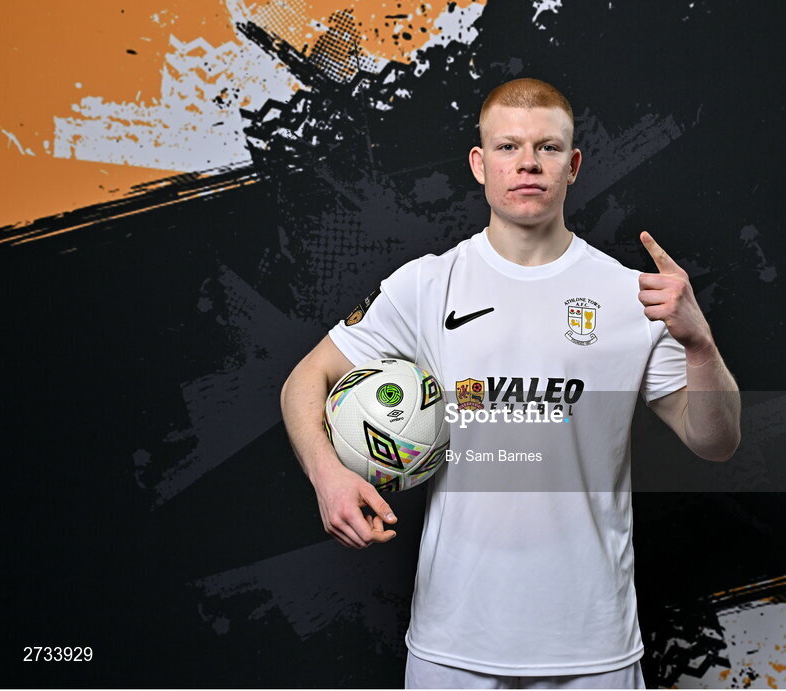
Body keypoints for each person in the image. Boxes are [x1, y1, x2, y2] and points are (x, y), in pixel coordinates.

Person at [280, 78, 741, 689]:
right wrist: (327, 476)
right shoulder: (427, 285)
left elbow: (715, 441)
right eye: (508, 147)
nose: (528, 163)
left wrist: (700, 345)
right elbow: (304, 379)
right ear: (480, 164)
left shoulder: (629, 295)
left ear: (573, 165)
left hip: (592, 647)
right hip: (452, 642)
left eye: (548, 147)